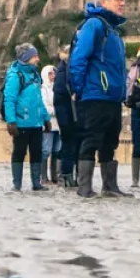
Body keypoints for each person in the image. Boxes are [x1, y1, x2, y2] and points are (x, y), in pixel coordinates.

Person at [67, 0, 131, 198]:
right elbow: (78, 58)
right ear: (103, 1)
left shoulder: (114, 31)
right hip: (95, 94)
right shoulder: (94, 25)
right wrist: (78, 88)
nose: (122, 3)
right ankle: (84, 187)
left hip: (112, 96)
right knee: (91, 138)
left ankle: (109, 186)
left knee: (109, 142)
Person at [2, 44, 50, 192]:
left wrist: (46, 118)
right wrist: (11, 122)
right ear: (26, 58)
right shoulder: (15, 75)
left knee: (37, 152)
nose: (38, 59)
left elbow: (39, 100)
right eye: (35, 56)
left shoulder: (35, 75)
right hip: (21, 122)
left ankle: (36, 183)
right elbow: (9, 100)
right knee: (19, 152)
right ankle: (17, 184)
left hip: (36, 122)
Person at [52, 40, 82, 189]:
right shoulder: (64, 71)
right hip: (69, 116)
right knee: (70, 145)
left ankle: (72, 177)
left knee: (74, 145)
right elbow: (60, 98)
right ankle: (66, 176)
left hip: (72, 115)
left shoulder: (66, 69)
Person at [40, 61, 61, 184]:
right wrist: (57, 109)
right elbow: (44, 106)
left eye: (54, 73)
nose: (53, 76)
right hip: (48, 123)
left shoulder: (56, 89)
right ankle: (43, 177)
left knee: (56, 150)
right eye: (50, 74)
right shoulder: (43, 89)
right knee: (46, 150)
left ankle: (54, 177)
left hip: (58, 124)